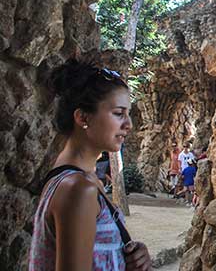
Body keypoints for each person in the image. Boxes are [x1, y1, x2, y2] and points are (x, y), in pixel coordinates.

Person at [29, 60, 151, 270]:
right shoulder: (78, 188)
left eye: (128, 113)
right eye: (118, 113)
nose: (128, 124)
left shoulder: (79, 179)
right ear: (82, 117)